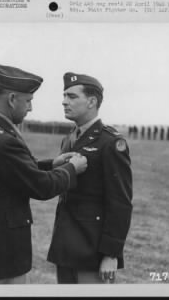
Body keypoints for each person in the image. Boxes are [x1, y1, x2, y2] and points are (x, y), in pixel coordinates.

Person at [0, 64, 88, 284]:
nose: (30, 108)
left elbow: (11, 171)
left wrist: (52, 164)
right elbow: (41, 187)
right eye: (28, 101)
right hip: (1, 249)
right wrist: (72, 169)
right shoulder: (4, 139)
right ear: (12, 99)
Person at [46, 72, 133, 284]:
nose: (64, 101)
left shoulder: (110, 142)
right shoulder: (69, 140)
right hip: (65, 246)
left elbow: (120, 202)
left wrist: (111, 254)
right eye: (64, 96)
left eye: (72, 96)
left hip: (92, 250)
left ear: (92, 101)